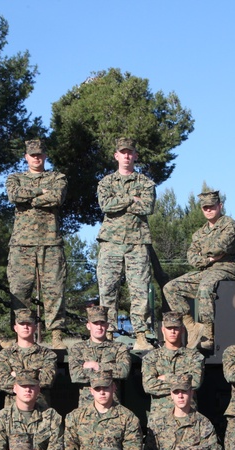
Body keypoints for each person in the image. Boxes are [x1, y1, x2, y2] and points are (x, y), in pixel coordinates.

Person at [6, 139, 69, 347]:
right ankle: (21, 336)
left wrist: (30, 197)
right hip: (21, 244)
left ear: (45, 156)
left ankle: (57, 335)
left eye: (39, 155)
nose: (36, 158)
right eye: (32, 155)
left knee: (54, 290)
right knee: (20, 291)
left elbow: (57, 197)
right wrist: (42, 192)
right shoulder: (15, 178)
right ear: (26, 157)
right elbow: (14, 195)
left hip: (50, 243)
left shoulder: (57, 177)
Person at [163, 187, 235, 349]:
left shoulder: (229, 225)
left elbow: (221, 247)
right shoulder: (199, 233)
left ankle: (208, 333)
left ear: (220, 206)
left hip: (229, 268)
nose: (208, 210)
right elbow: (191, 256)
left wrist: (206, 254)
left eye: (212, 207)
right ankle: (191, 326)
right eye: (205, 208)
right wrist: (208, 259)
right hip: (207, 270)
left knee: (206, 286)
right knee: (170, 287)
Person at [96, 137, 157, 350]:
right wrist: (132, 199)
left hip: (137, 242)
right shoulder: (106, 182)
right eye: (123, 153)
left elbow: (147, 207)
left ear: (135, 156)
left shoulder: (146, 183)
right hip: (110, 242)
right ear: (116, 156)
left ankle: (141, 334)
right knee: (108, 289)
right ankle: (108, 333)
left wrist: (120, 202)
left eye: (130, 152)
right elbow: (106, 205)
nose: (127, 156)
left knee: (140, 290)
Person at [143, 374, 219, 450]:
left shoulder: (203, 424)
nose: (180, 396)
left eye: (184, 391)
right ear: (171, 395)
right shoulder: (158, 424)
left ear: (191, 392)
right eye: (176, 392)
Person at [64, 372, 142, 450]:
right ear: (91, 391)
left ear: (113, 387)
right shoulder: (75, 417)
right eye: (97, 389)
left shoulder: (128, 417)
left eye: (106, 387)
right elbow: (69, 449)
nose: (102, 392)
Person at [0, 369, 64, 450]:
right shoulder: (1, 418)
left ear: (38, 389)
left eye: (32, 386)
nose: (27, 389)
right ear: (15, 388)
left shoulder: (51, 417)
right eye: (23, 386)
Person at [141, 311, 204, 421]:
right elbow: (149, 386)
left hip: (187, 419)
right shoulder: (151, 358)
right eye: (169, 328)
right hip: (160, 419)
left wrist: (166, 377)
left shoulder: (194, 357)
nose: (173, 331)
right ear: (163, 330)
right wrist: (183, 383)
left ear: (182, 330)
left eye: (176, 328)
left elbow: (195, 382)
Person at [0, 309, 58, 409]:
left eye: (29, 323)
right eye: (21, 324)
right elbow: (2, 383)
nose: (25, 326)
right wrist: (36, 374)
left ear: (35, 327)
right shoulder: (4, 355)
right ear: (15, 328)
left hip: (41, 410)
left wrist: (16, 374)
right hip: (13, 412)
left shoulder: (47, 354)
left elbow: (47, 380)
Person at [67, 304, 131, 402]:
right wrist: (110, 370)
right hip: (87, 405)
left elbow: (123, 371)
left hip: (112, 405)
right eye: (95, 323)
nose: (99, 327)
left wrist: (97, 366)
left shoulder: (119, 348)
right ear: (88, 326)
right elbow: (76, 375)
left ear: (107, 325)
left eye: (102, 323)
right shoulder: (78, 348)